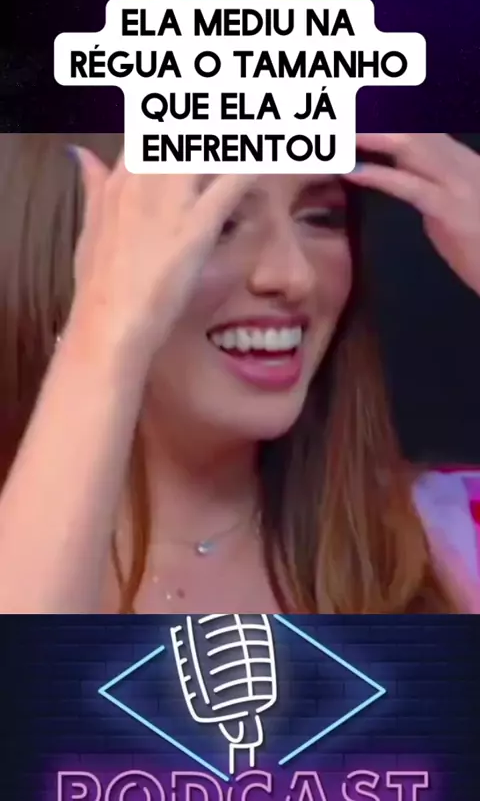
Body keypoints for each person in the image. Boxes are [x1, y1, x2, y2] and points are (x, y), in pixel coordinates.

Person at [0, 133, 478, 614]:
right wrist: (101, 339)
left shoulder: (446, 537)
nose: (293, 276)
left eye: (321, 218)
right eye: (218, 221)